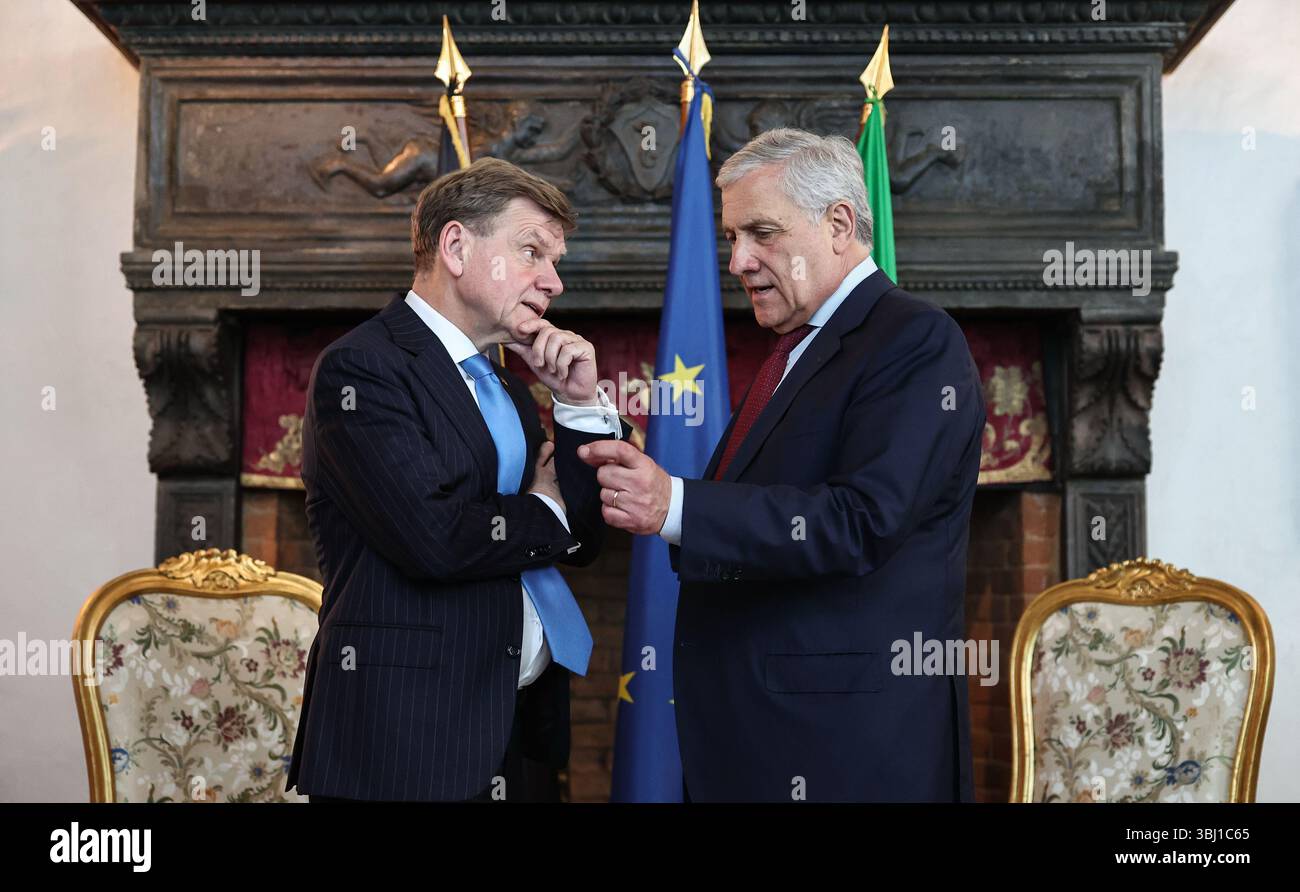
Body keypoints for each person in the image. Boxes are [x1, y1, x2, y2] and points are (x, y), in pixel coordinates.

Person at [579, 129, 985, 802]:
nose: (738, 261)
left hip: (847, 752)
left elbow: (862, 521)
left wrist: (676, 505)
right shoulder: (794, 351)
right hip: (759, 741)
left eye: (761, 233)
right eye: (732, 238)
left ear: (838, 224)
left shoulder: (914, 340)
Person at [287, 157, 627, 802]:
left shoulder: (509, 386)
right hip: (408, 742)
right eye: (532, 252)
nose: (552, 282)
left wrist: (580, 406)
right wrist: (546, 507)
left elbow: (581, 541)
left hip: (518, 725)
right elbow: (433, 537)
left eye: (556, 261)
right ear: (456, 246)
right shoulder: (362, 367)